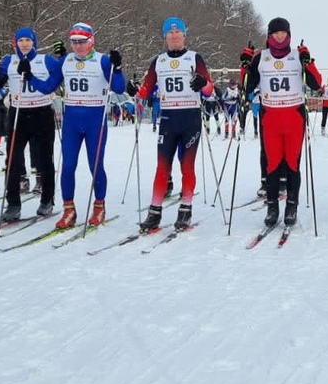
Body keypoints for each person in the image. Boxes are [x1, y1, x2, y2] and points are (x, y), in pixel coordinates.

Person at [27, 22, 126, 229]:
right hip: (72, 121)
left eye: (82, 42)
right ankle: (68, 209)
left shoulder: (102, 60)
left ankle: (99, 206)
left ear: (91, 41)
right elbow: (47, 87)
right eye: (74, 42)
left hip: (95, 121)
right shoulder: (66, 60)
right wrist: (29, 76)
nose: (78, 46)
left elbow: (119, 87)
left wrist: (116, 68)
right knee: (68, 166)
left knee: (95, 164)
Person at [135, 17, 214, 232]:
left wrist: (203, 83)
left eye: (178, 32)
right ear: (165, 37)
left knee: (186, 166)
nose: (174, 36)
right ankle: (154, 212)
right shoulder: (158, 61)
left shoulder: (194, 58)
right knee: (162, 167)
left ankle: (185, 208)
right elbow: (145, 89)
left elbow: (210, 90)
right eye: (170, 33)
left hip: (190, 118)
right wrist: (133, 88)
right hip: (169, 119)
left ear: (184, 35)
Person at [242, 18, 322, 227]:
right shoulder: (261, 57)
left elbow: (316, 84)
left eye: (283, 33)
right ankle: (272, 207)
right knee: (273, 165)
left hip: (293, 116)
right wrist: (245, 65)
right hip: (271, 117)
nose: (279, 37)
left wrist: (308, 62)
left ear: (289, 35)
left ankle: (291, 207)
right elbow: (247, 87)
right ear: (269, 35)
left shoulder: (297, 55)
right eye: (275, 33)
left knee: (293, 164)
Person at [0, 27, 57, 223]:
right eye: (21, 41)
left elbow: (60, 74)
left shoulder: (45, 60)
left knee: (45, 159)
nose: (25, 44)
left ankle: (47, 199)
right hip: (18, 113)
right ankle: (13, 204)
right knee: (12, 159)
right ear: (15, 43)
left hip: (41, 112)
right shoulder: (10, 61)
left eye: (28, 40)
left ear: (34, 42)